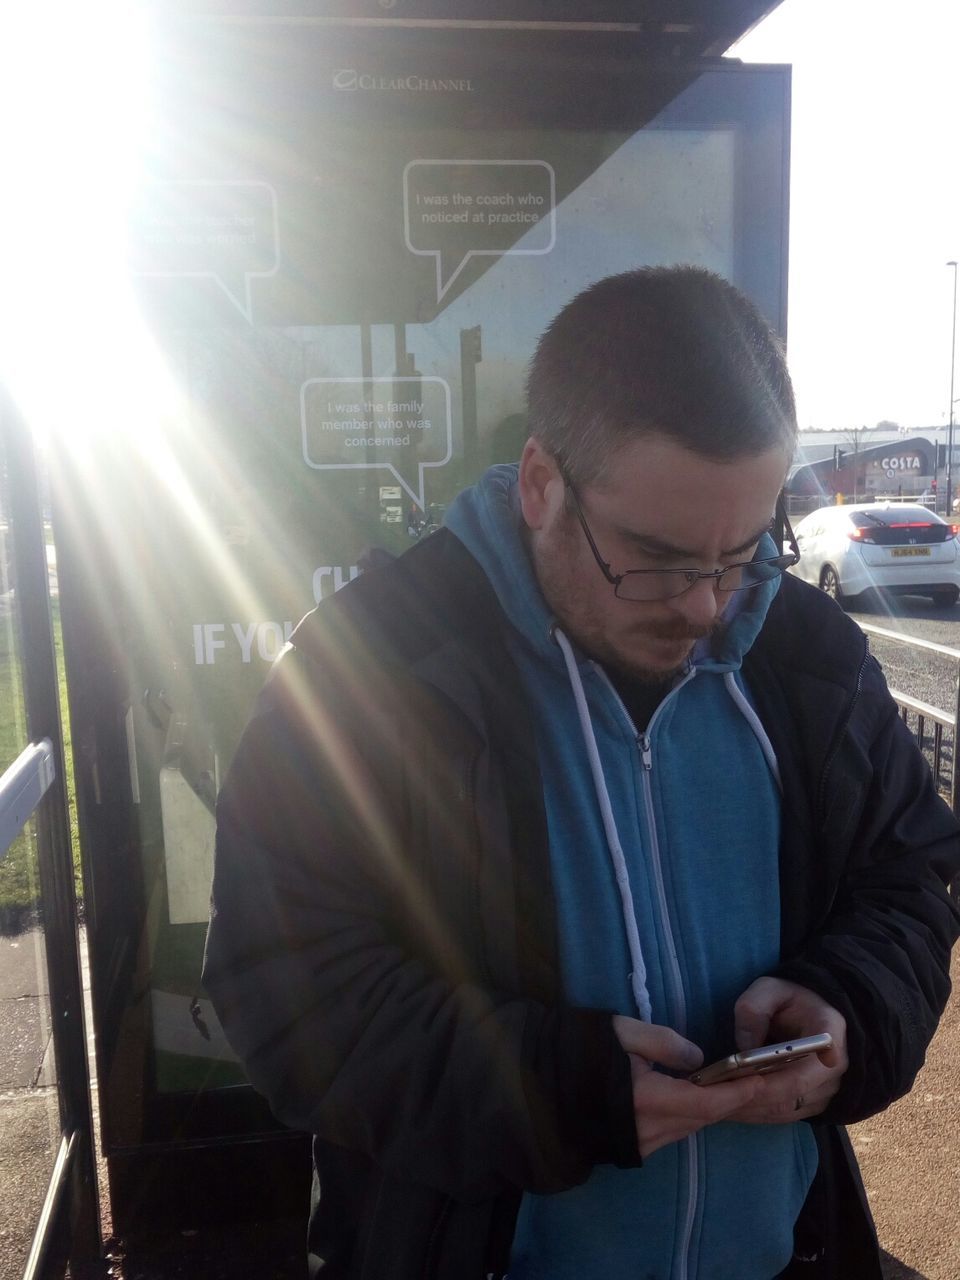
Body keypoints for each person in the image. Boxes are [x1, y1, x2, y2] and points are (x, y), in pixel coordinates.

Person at [203, 266, 960, 1280]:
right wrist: (553, 1090)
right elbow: (283, 988)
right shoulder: (372, 671)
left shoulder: (806, 651)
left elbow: (910, 879)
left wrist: (851, 1007)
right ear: (538, 482)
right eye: (652, 556)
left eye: (739, 551)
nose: (704, 604)